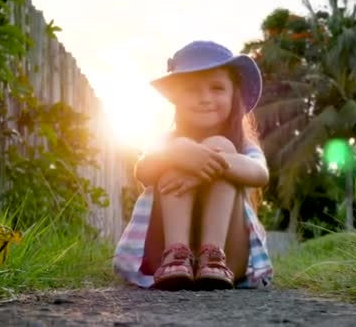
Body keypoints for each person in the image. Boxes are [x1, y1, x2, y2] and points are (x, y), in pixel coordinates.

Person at [113, 40, 273, 291]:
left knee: (222, 146)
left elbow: (260, 173)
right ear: (176, 98)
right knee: (178, 151)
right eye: (192, 89)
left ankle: (213, 256)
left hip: (229, 257)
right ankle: (177, 253)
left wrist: (206, 166)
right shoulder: (166, 141)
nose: (205, 98)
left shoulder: (241, 144)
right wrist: (177, 153)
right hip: (162, 256)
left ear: (235, 95)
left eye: (217, 88)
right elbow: (142, 170)